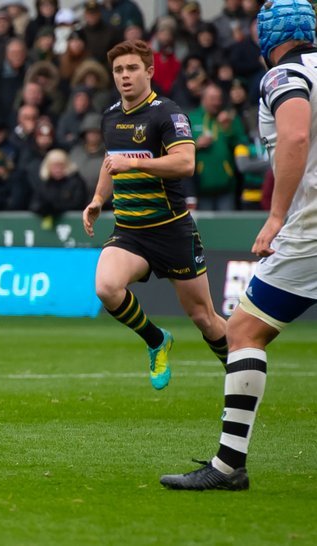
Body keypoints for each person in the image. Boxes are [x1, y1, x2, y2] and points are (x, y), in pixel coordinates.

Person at [161, 0, 317, 491]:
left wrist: (276, 215)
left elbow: (295, 136)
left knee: (244, 331)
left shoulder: (284, 76)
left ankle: (229, 466)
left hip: (311, 229)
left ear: (268, 38)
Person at [82, 39, 227, 392]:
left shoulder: (167, 113)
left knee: (204, 319)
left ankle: (239, 370)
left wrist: (133, 163)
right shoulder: (110, 115)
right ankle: (156, 340)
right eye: (118, 70)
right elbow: (111, 161)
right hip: (130, 231)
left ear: (149, 72)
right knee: (106, 287)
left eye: (132, 68)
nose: (124, 75)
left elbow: (185, 163)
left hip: (171, 231)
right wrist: (98, 198)